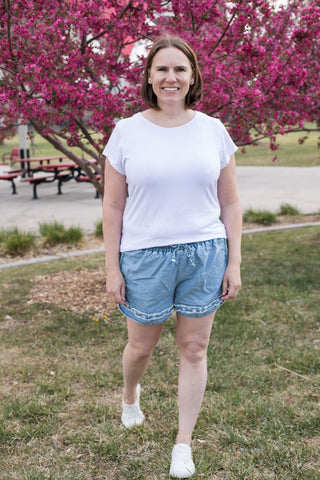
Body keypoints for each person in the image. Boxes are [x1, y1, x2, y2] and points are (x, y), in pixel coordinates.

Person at [102, 34, 242, 479]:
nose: (171, 77)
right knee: (141, 348)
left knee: (194, 348)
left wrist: (234, 261)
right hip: (144, 257)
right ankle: (130, 395)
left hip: (205, 253)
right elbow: (113, 206)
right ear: (148, 76)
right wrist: (111, 267)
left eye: (180, 69)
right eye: (162, 68)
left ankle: (183, 444)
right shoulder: (126, 132)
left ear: (193, 76)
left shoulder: (213, 130)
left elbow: (231, 203)